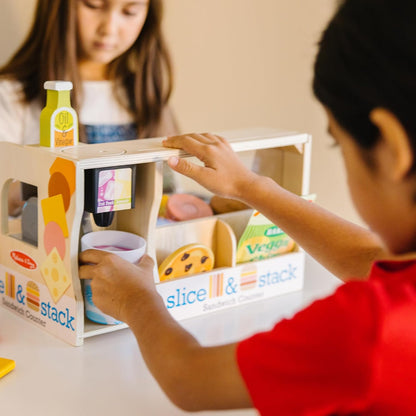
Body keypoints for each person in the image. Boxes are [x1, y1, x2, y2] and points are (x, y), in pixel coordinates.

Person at [79, 0, 416, 414]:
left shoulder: (371, 331)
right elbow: (371, 259)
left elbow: (191, 379)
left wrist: (135, 301)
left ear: (392, 149)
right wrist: (248, 185)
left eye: (338, 143)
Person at [0, 0, 177, 215]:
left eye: (130, 11)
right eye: (93, 5)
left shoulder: (147, 97)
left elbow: (171, 192)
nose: (109, 29)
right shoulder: (12, 95)